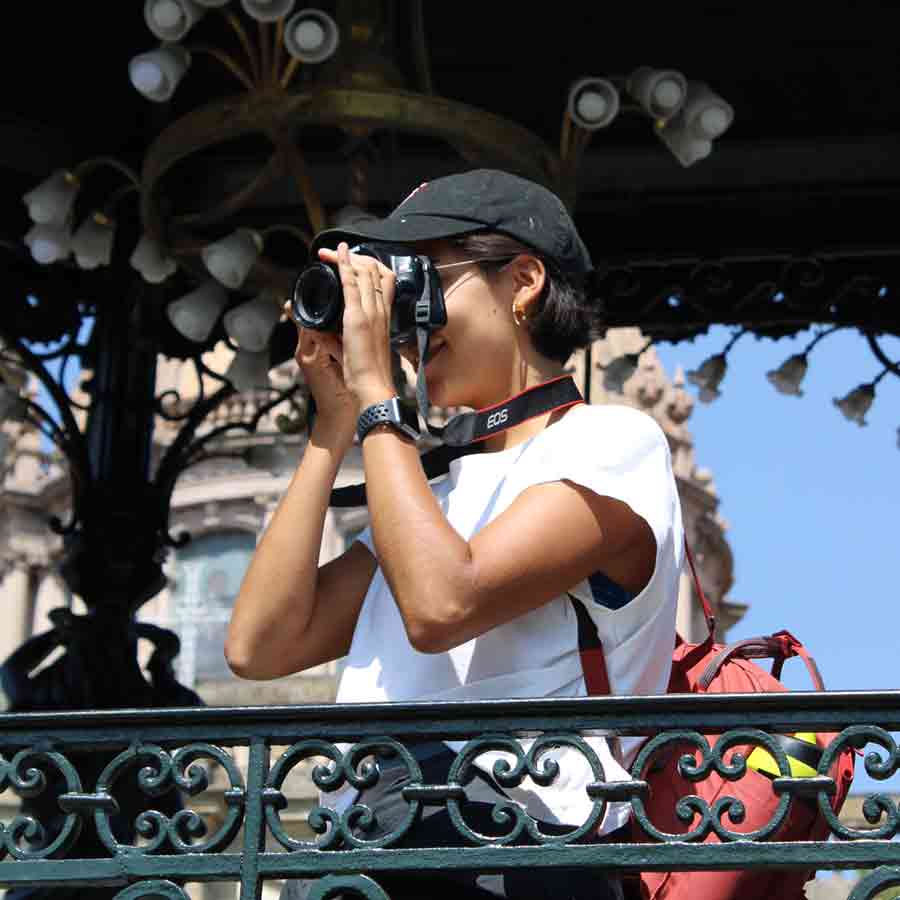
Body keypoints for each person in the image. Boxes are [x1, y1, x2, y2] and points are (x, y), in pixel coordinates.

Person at [226, 169, 683, 900]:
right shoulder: (430, 494)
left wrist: (380, 398)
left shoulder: (609, 442)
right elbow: (261, 644)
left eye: (421, 280)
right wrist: (334, 426)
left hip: (519, 852)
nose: (403, 316)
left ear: (523, 281)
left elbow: (442, 605)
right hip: (374, 848)